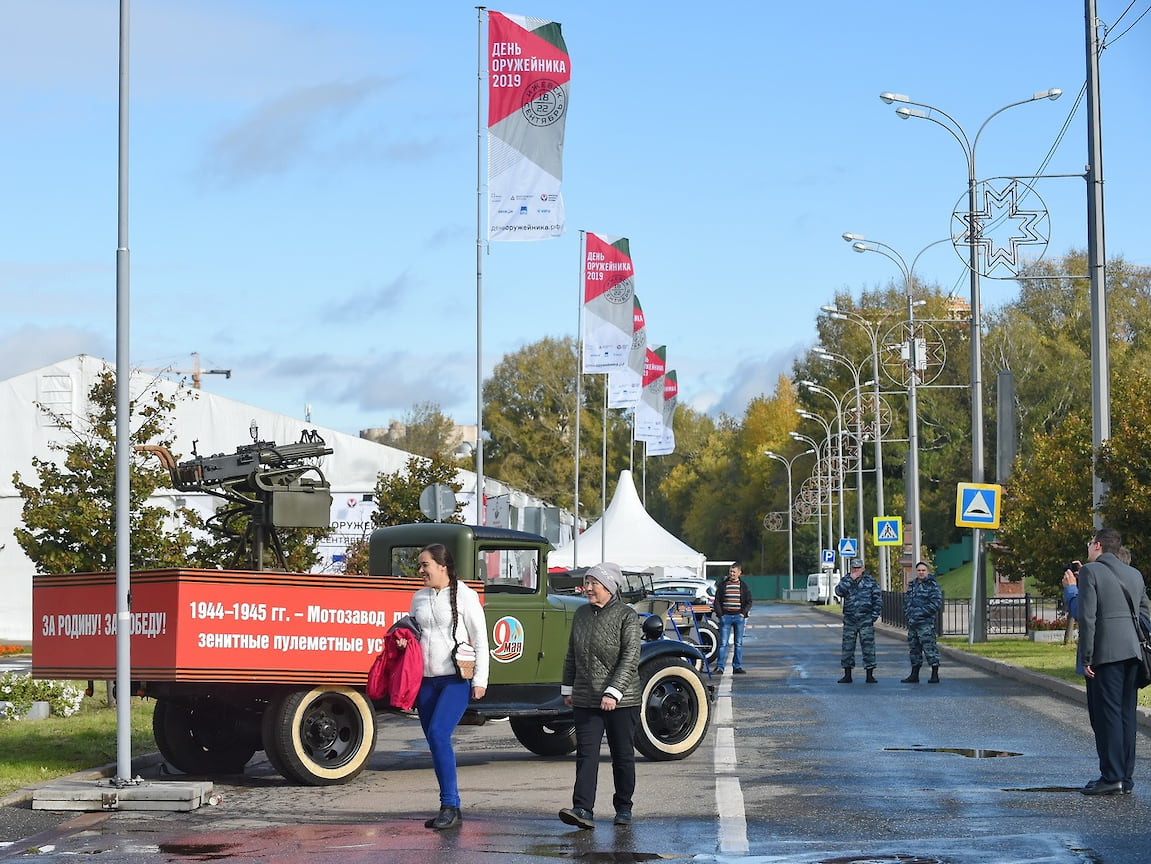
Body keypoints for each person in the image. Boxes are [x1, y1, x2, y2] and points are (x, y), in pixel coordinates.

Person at [1062, 528, 1149, 796]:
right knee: (1125, 716)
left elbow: (1088, 617)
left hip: (1106, 654)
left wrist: (1087, 656)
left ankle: (1111, 776)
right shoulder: (1134, 574)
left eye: (1090, 543)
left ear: (1098, 545)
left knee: (1107, 715)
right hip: (1133, 652)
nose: (1088, 548)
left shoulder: (1091, 571)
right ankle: (1124, 777)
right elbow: (1146, 611)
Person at [408, 543, 489, 829]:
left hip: (455, 679)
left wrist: (480, 680)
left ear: (442, 566)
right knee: (434, 741)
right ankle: (450, 806)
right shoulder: (418, 598)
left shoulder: (465, 595)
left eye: (425, 565)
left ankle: (450, 805)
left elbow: (480, 638)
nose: (420, 571)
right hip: (426, 682)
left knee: (439, 734)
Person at [558, 562, 642, 830]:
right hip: (586, 697)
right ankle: (583, 809)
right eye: (588, 582)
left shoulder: (627, 616)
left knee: (622, 754)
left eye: (594, 583)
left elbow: (630, 658)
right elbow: (571, 653)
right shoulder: (581, 614)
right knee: (586, 754)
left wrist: (613, 692)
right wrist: (568, 688)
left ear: (610, 587)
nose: (589, 588)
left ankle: (624, 807)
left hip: (621, 698)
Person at [835, 558, 881, 683]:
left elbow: (877, 599)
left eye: (858, 568)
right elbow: (838, 591)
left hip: (865, 619)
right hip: (850, 619)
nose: (856, 570)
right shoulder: (846, 580)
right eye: (854, 568)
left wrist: (874, 616)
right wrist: (850, 580)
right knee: (848, 647)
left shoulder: (870, 581)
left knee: (868, 647)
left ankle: (869, 674)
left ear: (863, 568)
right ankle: (847, 674)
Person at [901, 561, 943, 684]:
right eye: (919, 570)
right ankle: (914, 675)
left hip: (925, 624)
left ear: (927, 571)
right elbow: (908, 600)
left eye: (923, 570)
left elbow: (936, 603)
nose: (921, 572)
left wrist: (921, 612)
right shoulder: (913, 584)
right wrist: (908, 612)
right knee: (914, 650)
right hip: (913, 624)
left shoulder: (932, 585)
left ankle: (934, 674)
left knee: (930, 649)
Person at [712, 563, 753, 674]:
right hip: (726, 617)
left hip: (739, 618)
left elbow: (749, 601)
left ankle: (737, 667)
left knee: (738, 643)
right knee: (723, 643)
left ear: (739, 573)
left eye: (734, 572)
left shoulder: (743, 586)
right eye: (730, 571)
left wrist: (743, 614)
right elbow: (717, 601)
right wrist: (721, 615)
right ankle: (720, 667)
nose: (732, 574)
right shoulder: (723, 585)